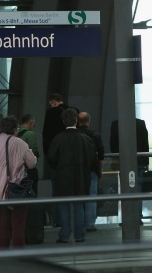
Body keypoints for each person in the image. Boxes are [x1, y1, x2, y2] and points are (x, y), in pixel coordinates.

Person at [0, 116, 37, 248]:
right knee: (18, 222)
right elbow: (32, 163)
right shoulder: (20, 143)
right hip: (16, 186)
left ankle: (4, 252)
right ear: (14, 128)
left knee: (3, 222)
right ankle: (18, 253)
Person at [48, 108, 97, 243]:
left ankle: (64, 235)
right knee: (79, 206)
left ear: (64, 121)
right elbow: (93, 159)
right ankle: (79, 235)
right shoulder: (85, 139)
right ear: (76, 120)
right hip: (81, 177)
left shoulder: (58, 139)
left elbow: (51, 159)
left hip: (63, 178)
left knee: (63, 206)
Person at [42, 93, 75, 227]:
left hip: (56, 160)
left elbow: (46, 136)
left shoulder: (50, 114)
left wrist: (48, 156)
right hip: (71, 160)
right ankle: (74, 221)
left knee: (57, 190)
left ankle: (59, 220)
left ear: (55, 102)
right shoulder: (73, 112)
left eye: (51, 103)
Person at [110, 118, 149, 225]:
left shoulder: (115, 124)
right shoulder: (141, 123)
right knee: (138, 188)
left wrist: (115, 161)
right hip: (139, 161)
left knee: (125, 189)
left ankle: (126, 218)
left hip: (123, 162)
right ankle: (137, 217)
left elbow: (113, 144)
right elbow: (145, 143)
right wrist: (146, 161)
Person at [77, 111, 104, 232]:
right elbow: (101, 155)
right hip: (92, 168)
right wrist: (100, 169)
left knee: (78, 196)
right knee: (92, 196)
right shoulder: (95, 134)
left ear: (77, 121)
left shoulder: (75, 134)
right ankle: (90, 224)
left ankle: (79, 224)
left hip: (77, 169)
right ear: (89, 121)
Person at [18, 114, 40, 194]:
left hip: (16, 170)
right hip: (28, 170)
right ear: (31, 123)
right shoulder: (30, 134)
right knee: (31, 192)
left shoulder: (15, 134)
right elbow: (34, 151)